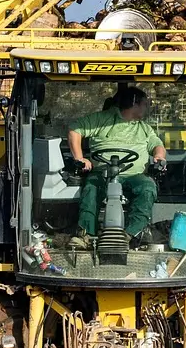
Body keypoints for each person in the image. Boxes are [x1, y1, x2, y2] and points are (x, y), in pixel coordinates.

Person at [67, 86, 167, 249]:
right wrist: (79, 158)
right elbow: (74, 130)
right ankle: (86, 235)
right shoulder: (100, 119)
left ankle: (129, 235)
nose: (147, 108)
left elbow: (157, 145)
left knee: (148, 187)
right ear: (135, 103)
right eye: (145, 104)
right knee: (91, 188)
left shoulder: (144, 128)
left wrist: (159, 156)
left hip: (133, 176)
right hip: (102, 172)